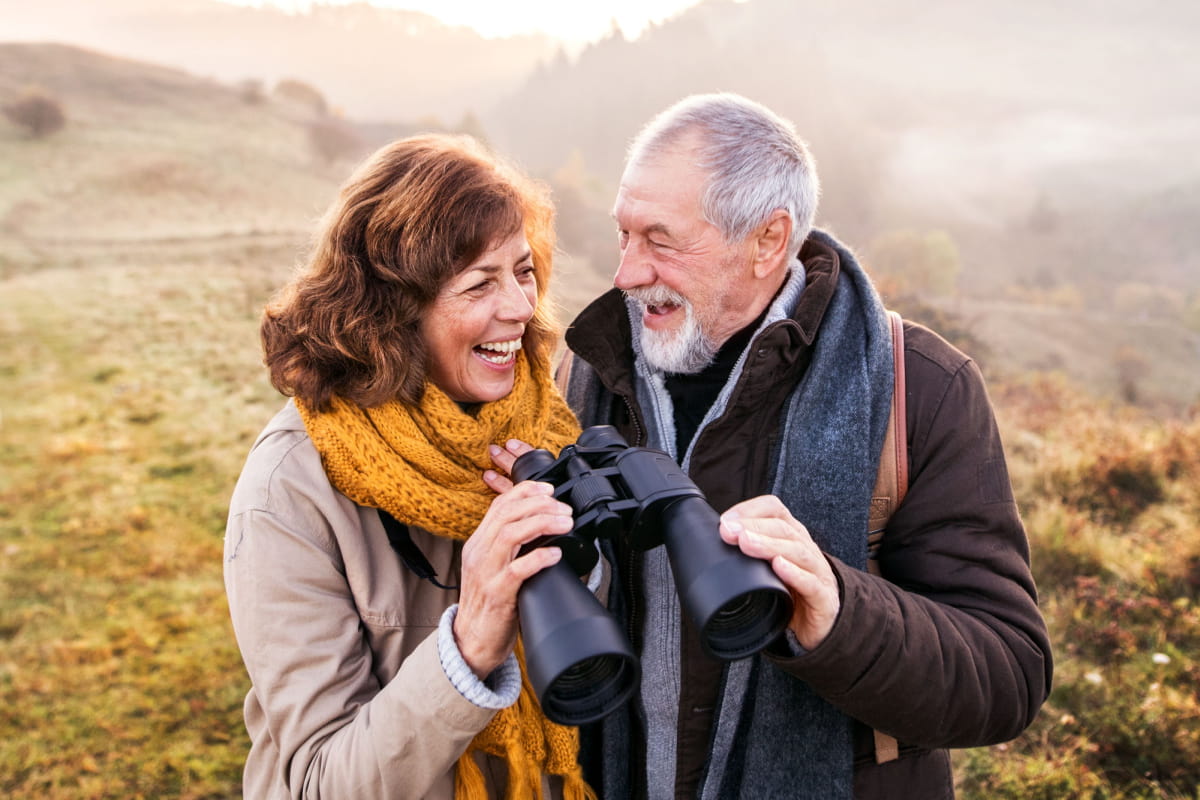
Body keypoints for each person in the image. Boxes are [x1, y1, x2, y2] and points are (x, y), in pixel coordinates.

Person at [548, 93, 1053, 799]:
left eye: (660, 240)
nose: (626, 273)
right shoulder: (576, 377)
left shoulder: (921, 389)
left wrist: (841, 615)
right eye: (623, 235)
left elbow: (1008, 675)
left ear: (767, 241)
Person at [223, 134, 598, 799]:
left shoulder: (549, 427)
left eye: (522, 270)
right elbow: (318, 782)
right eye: (480, 282)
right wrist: (470, 643)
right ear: (393, 312)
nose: (518, 306)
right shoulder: (289, 492)